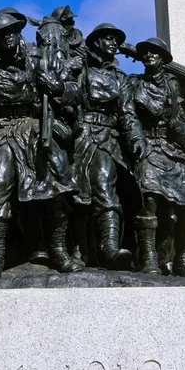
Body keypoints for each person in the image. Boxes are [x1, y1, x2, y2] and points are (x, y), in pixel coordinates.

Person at [0, 12, 84, 279]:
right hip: (3, 129)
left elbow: (76, 91)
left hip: (38, 126)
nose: (6, 38)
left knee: (57, 184)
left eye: (11, 33)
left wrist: (58, 87)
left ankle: (59, 251)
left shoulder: (41, 58)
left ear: (19, 33)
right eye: (0, 36)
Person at [129, 37, 185, 280]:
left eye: (154, 52)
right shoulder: (133, 84)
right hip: (149, 146)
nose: (149, 55)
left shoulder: (179, 84)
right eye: (146, 53)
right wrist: (137, 140)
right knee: (147, 202)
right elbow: (127, 116)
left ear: (163, 58)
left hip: (175, 150)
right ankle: (148, 259)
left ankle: (182, 261)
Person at [71, 23, 147, 270]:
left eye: (116, 39)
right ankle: (77, 250)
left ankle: (110, 249)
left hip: (107, 139)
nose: (114, 43)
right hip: (79, 136)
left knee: (105, 187)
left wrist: (136, 138)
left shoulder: (120, 78)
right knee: (75, 195)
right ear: (96, 43)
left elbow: (128, 113)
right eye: (108, 39)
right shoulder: (79, 69)